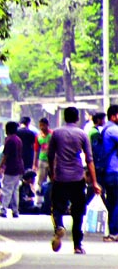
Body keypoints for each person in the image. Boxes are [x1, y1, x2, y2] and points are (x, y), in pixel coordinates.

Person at [47, 106, 101, 254]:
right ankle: (77, 245)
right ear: (77, 118)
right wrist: (94, 182)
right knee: (78, 212)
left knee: (57, 207)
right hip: (77, 178)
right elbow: (89, 160)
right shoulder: (82, 134)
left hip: (60, 177)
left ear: (64, 117)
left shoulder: (56, 133)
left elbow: (50, 156)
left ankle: (59, 226)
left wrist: (52, 173)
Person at [0, 121, 24, 218]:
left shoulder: (9, 140)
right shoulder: (18, 140)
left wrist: (0, 167)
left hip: (11, 168)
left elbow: (5, 155)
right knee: (15, 190)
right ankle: (15, 211)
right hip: (19, 167)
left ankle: (3, 210)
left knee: (7, 189)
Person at [100, 105, 118, 241]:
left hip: (108, 171)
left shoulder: (106, 129)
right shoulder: (113, 129)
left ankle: (112, 230)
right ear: (113, 116)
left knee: (112, 202)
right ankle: (114, 232)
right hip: (115, 171)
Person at [35, 118, 52, 197]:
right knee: (41, 179)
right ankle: (40, 197)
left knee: (52, 179)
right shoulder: (38, 136)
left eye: (43, 125)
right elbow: (36, 150)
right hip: (42, 160)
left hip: (51, 160)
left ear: (47, 125)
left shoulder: (52, 134)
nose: (42, 127)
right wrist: (35, 163)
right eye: (40, 125)